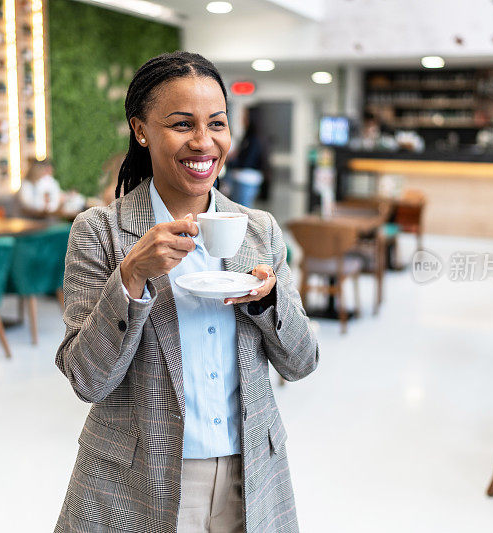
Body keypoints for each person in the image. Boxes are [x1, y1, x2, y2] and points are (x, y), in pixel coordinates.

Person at [54, 51, 319, 533]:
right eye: (181, 124)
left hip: (251, 476)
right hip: (134, 482)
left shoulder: (259, 231)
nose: (204, 142)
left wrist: (266, 302)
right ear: (141, 130)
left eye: (216, 123)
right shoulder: (102, 232)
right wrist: (130, 277)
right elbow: (86, 380)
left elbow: (301, 363)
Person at [17, 158, 86, 219]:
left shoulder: (45, 183)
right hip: (31, 220)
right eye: (45, 170)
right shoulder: (26, 186)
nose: (47, 173)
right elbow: (29, 207)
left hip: (45, 218)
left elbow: (56, 197)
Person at [226, 107, 267, 208]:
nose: (242, 119)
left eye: (244, 116)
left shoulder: (254, 139)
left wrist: (229, 161)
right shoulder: (248, 137)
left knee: (241, 211)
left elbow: (247, 162)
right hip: (242, 179)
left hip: (246, 180)